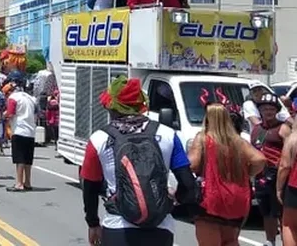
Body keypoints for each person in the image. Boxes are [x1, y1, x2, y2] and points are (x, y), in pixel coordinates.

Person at [80, 76, 197, 246]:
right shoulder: (168, 135)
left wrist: (93, 223)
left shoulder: (99, 139)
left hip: (117, 226)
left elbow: (89, 188)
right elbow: (188, 184)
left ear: (111, 106)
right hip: (160, 228)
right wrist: (173, 199)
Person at [187, 95, 265, 246]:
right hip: (236, 198)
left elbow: (193, 164)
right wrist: (246, 173)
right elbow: (260, 159)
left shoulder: (203, 138)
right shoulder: (238, 141)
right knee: (231, 241)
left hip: (211, 198)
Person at [251, 93, 291, 246]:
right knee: (266, 211)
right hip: (260, 175)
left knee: (281, 212)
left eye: (271, 109)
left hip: (278, 175)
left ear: (276, 110)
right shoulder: (256, 129)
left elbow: (290, 155)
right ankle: (270, 241)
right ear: (260, 110)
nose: (268, 111)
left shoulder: (283, 128)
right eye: (265, 108)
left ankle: (286, 242)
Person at [5, 76, 37, 192]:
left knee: (19, 159)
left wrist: (4, 117)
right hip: (31, 131)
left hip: (19, 130)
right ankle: (27, 182)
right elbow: (36, 114)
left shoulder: (13, 97)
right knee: (28, 159)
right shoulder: (31, 98)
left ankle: (19, 183)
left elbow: (10, 114)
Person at [277, 123, 297, 246]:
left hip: (295, 187)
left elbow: (284, 166)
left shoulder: (294, 138)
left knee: (290, 226)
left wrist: (279, 188)